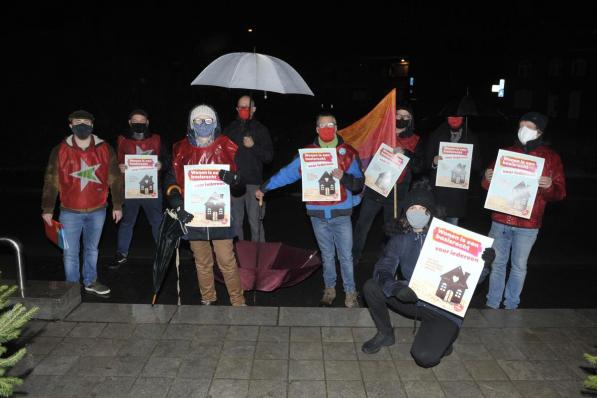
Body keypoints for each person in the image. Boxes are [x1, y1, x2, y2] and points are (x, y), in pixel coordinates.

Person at [361, 181, 495, 367]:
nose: (416, 212)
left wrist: (484, 265)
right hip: (413, 298)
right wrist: (396, 288)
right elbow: (382, 270)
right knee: (371, 287)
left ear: (431, 213)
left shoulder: (451, 240)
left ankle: (445, 338)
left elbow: (470, 281)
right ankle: (385, 333)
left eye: (422, 208)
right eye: (412, 208)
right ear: (405, 212)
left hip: (444, 308)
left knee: (425, 357)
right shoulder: (400, 240)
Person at [255, 112, 364, 307]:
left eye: (330, 124)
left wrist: (344, 177)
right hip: (318, 214)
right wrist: (265, 187)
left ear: (337, 127)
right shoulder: (307, 154)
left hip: (341, 214)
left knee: (346, 256)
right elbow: (288, 173)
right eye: (322, 125)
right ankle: (329, 289)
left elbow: (358, 184)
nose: (327, 128)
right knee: (327, 255)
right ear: (316, 129)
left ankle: (350, 293)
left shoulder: (348, 153)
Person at [164, 104, 246, 306]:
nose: (203, 124)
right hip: (194, 216)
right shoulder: (180, 149)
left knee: (227, 261)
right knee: (202, 262)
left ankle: (238, 301)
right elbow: (170, 180)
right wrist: (177, 204)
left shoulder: (227, 146)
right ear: (191, 124)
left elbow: (240, 182)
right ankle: (208, 298)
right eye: (198, 121)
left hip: (220, 216)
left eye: (208, 120)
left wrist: (235, 179)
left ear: (215, 122)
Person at [482, 111, 566, 309]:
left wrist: (548, 187)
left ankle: (511, 304)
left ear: (539, 132)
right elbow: (487, 186)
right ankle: (492, 303)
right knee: (497, 265)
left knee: (519, 267)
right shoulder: (507, 152)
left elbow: (560, 193)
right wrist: (487, 177)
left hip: (528, 224)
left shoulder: (551, 158)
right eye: (521, 126)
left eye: (529, 127)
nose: (523, 131)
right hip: (501, 219)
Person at [41, 110, 123, 296]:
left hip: (98, 210)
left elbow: (115, 178)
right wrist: (47, 208)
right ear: (70, 125)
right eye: (78, 122)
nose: (82, 125)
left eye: (86, 122)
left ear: (92, 125)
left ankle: (90, 281)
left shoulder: (104, 148)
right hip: (69, 211)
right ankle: (71, 288)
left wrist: (117, 205)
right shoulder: (60, 150)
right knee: (69, 252)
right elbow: (51, 180)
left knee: (92, 249)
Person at [352, 102, 422, 264]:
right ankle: (354, 256)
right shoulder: (382, 134)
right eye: (398, 115)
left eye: (406, 117)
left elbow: (419, 166)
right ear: (393, 116)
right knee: (363, 224)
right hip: (375, 188)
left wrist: (406, 153)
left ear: (411, 120)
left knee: (391, 228)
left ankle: (387, 259)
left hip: (397, 192)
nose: (402, 119)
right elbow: (366, 153)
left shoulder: (415, 140)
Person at [111, 109, 170, 269]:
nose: (139, 123)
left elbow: (167, 160)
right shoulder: (122, 140)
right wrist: (118, 167)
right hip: (130, 190)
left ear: (147, 122)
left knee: (157, 222)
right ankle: (121, 253)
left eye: (142, 121)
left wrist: (162, 165)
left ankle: (162, 253)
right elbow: (112, 163)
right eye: (135, 121)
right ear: (130, 122)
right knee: (127, 222)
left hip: (152, 189)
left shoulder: (157, 139)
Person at [223, 95, 273, 242]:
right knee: (235, 223)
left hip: (254, 183)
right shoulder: (229, 129)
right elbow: (221, 154)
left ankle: (260, 257)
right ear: (237, 109)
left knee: (255, 223)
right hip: (234, 183)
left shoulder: (261, 129)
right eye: (241, 107)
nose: (244, 109)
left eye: (247, 106)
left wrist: (253, 146)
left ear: (254, 109)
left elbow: (269, 156)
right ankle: (239, 257)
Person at [425, 114, 482, 225]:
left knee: (451, 230)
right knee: (435, 228)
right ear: (446, 117)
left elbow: (478, 165)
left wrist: (469, 159)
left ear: (464, 118)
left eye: (458, 116)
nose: (455, 119)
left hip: (457, 195)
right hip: (438, 192)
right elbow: (426, 162)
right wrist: (434, 162)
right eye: (451, 116)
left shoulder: (470, 137)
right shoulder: (436, 134)